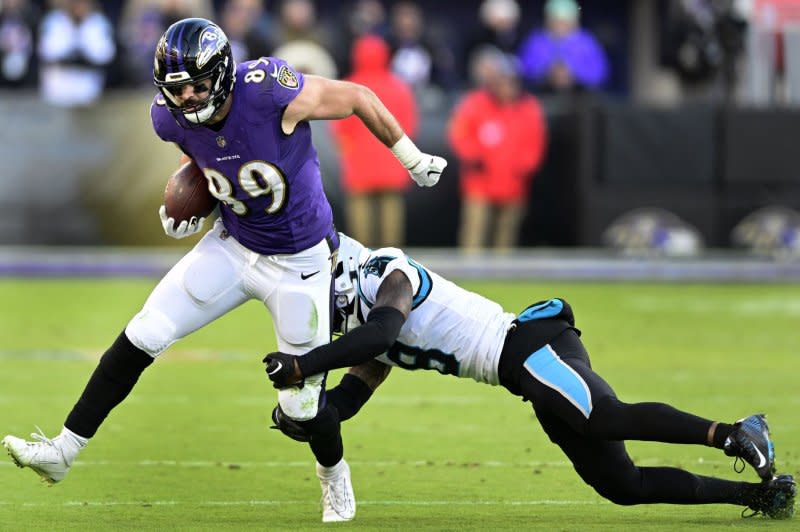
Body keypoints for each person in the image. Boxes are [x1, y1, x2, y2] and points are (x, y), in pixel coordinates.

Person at [2, 18, 447, 524]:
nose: (187, 97)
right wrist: (192, 206)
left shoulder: (268, 93)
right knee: (145, 332)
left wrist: (410, 158)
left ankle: (333, 475)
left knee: (302, 408)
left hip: (300, 263)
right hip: (233, 247)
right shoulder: (168, 119)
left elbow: (360, 97)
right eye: (176, 89)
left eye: (195, 84)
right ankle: (63, 450)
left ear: (224, 74)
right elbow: (212, 163)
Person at [263, 233, 796, 520]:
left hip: (529, 345)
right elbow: (351, 396)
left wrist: (305, 365)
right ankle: (757, 499)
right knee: (621, 485)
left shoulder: (386, 271)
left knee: (604, 417)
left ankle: (733, 432)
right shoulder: (366, 326)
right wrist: (306, 414)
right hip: (522, 374)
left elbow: (380, 334)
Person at [449, 47, 547, 251]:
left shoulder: (528, 109)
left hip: (513, 184)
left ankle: (505, 279)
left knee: (505, 239)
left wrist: (523, 166)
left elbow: (535, 145)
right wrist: (474, 156)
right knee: (474, 236)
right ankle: (469, 277)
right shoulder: (475, 103)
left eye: (511, 81)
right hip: (480, 182)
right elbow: (459, 135)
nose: (506, 86)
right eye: (502, 80)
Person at [331, 34, 418, 248]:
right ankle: (392, 257)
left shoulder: (348, 87)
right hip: (391, 159)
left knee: (360, 209)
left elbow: (338, 127)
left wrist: (348, 148)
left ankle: (364, 259)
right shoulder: (399, 87)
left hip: (359, 162)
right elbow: (409, 125)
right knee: (391, 208)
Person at [517, 0, 608, 93]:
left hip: (580, 98)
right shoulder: (536, 41)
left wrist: (573, 74)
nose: (560, 26)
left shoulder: (587, 42)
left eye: (565, 22)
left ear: (575, 22)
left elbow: (600, 73)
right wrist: (547, 73)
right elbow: (523, 70)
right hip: (542, 95)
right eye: (555, 21)